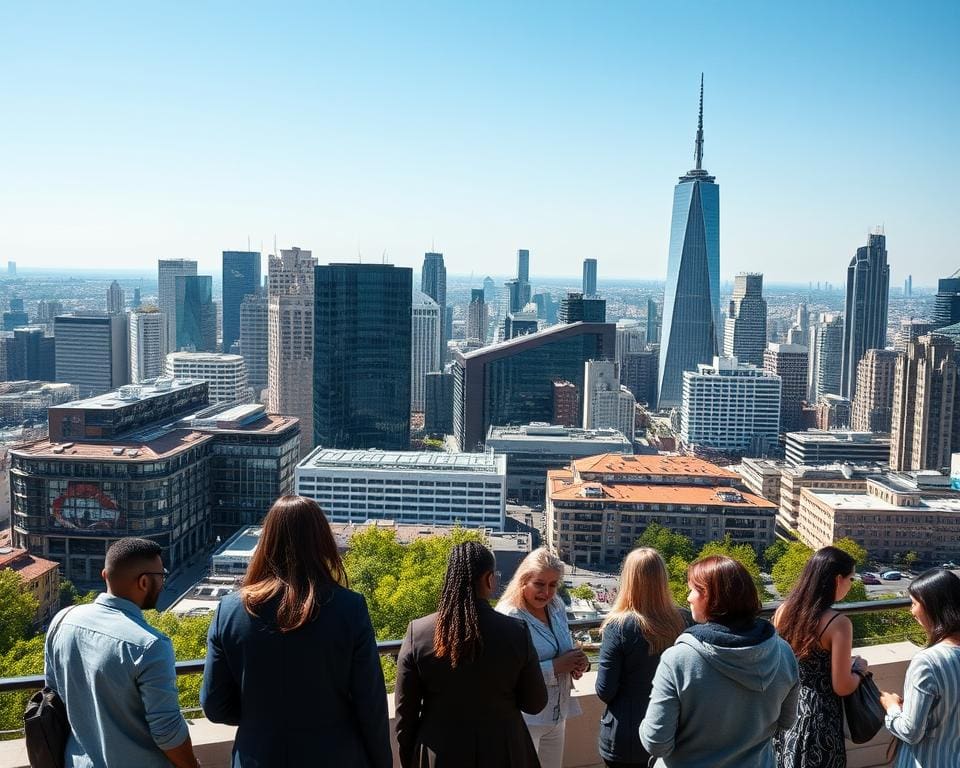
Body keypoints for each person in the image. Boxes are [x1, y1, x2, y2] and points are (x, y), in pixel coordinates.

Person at [201, 495, 391, 767]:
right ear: (322, 541)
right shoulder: (350, 608)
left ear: (265, 541)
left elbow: (214, 705)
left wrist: (261, 718)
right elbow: (370, 705)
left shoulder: (229, 611)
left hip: (258, 755)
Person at [44, 537, 199, 768]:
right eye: (162, 577)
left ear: (105, 575)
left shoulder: (63, 620)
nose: (163, 584)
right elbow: (167, 731)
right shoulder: (150, 645)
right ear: (144, 582)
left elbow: (53, 696)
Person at [394, 541, 548, 767]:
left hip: (441, 753)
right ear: (489, 579)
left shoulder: (418, 633)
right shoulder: (516, 632)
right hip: (504, 751)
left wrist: (412, 759)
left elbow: (405, 716)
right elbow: (535, 703)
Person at [640, 555, 799, 767]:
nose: (688, 598)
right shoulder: (784, 652)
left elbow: (656, 743)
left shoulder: (678, 659)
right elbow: (786, 722)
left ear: (710, 597)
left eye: (694, 590)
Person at [773, 546, 867, 768]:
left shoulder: (783, 612)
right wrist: (859, 670)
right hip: (819, 718)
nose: (851, 585)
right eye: (850, 579)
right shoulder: (838, 624)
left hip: (786, 708)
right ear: (837, 580)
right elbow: (842, 686)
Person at [496, 547, 589, 768]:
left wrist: (578, 662)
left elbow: (562, 647)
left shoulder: (555, 606)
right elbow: (506, 676)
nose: (546, 592)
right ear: (523, 581)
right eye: (539, 584)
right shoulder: (509, 616)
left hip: (556, 712)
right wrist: (556, 666)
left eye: (553, 585)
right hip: (525, 717)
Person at [596, 548, 688, 768]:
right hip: (675, 734)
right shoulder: (685, 620)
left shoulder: (618, 627)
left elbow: (604, 689)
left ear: (628, 579)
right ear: (663, 578)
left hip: (626, 737)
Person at [880, 567, 960, 767]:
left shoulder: (928, 662)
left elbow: (910, 731)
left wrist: (891, 708)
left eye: (914, 603)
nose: (911, 610)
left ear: (931, 607)